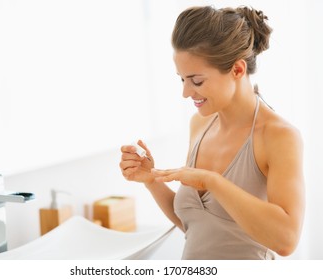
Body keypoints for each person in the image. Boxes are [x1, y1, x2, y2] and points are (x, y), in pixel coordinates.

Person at [119, 5, 305, 260]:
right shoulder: (199, 125)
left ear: (237, 70)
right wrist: (151, 180)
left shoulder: (278, 136)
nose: (185, 92)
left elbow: (287, 240)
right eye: (181, 79)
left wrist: (213, 181)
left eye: (196, 81)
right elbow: (197, 228)